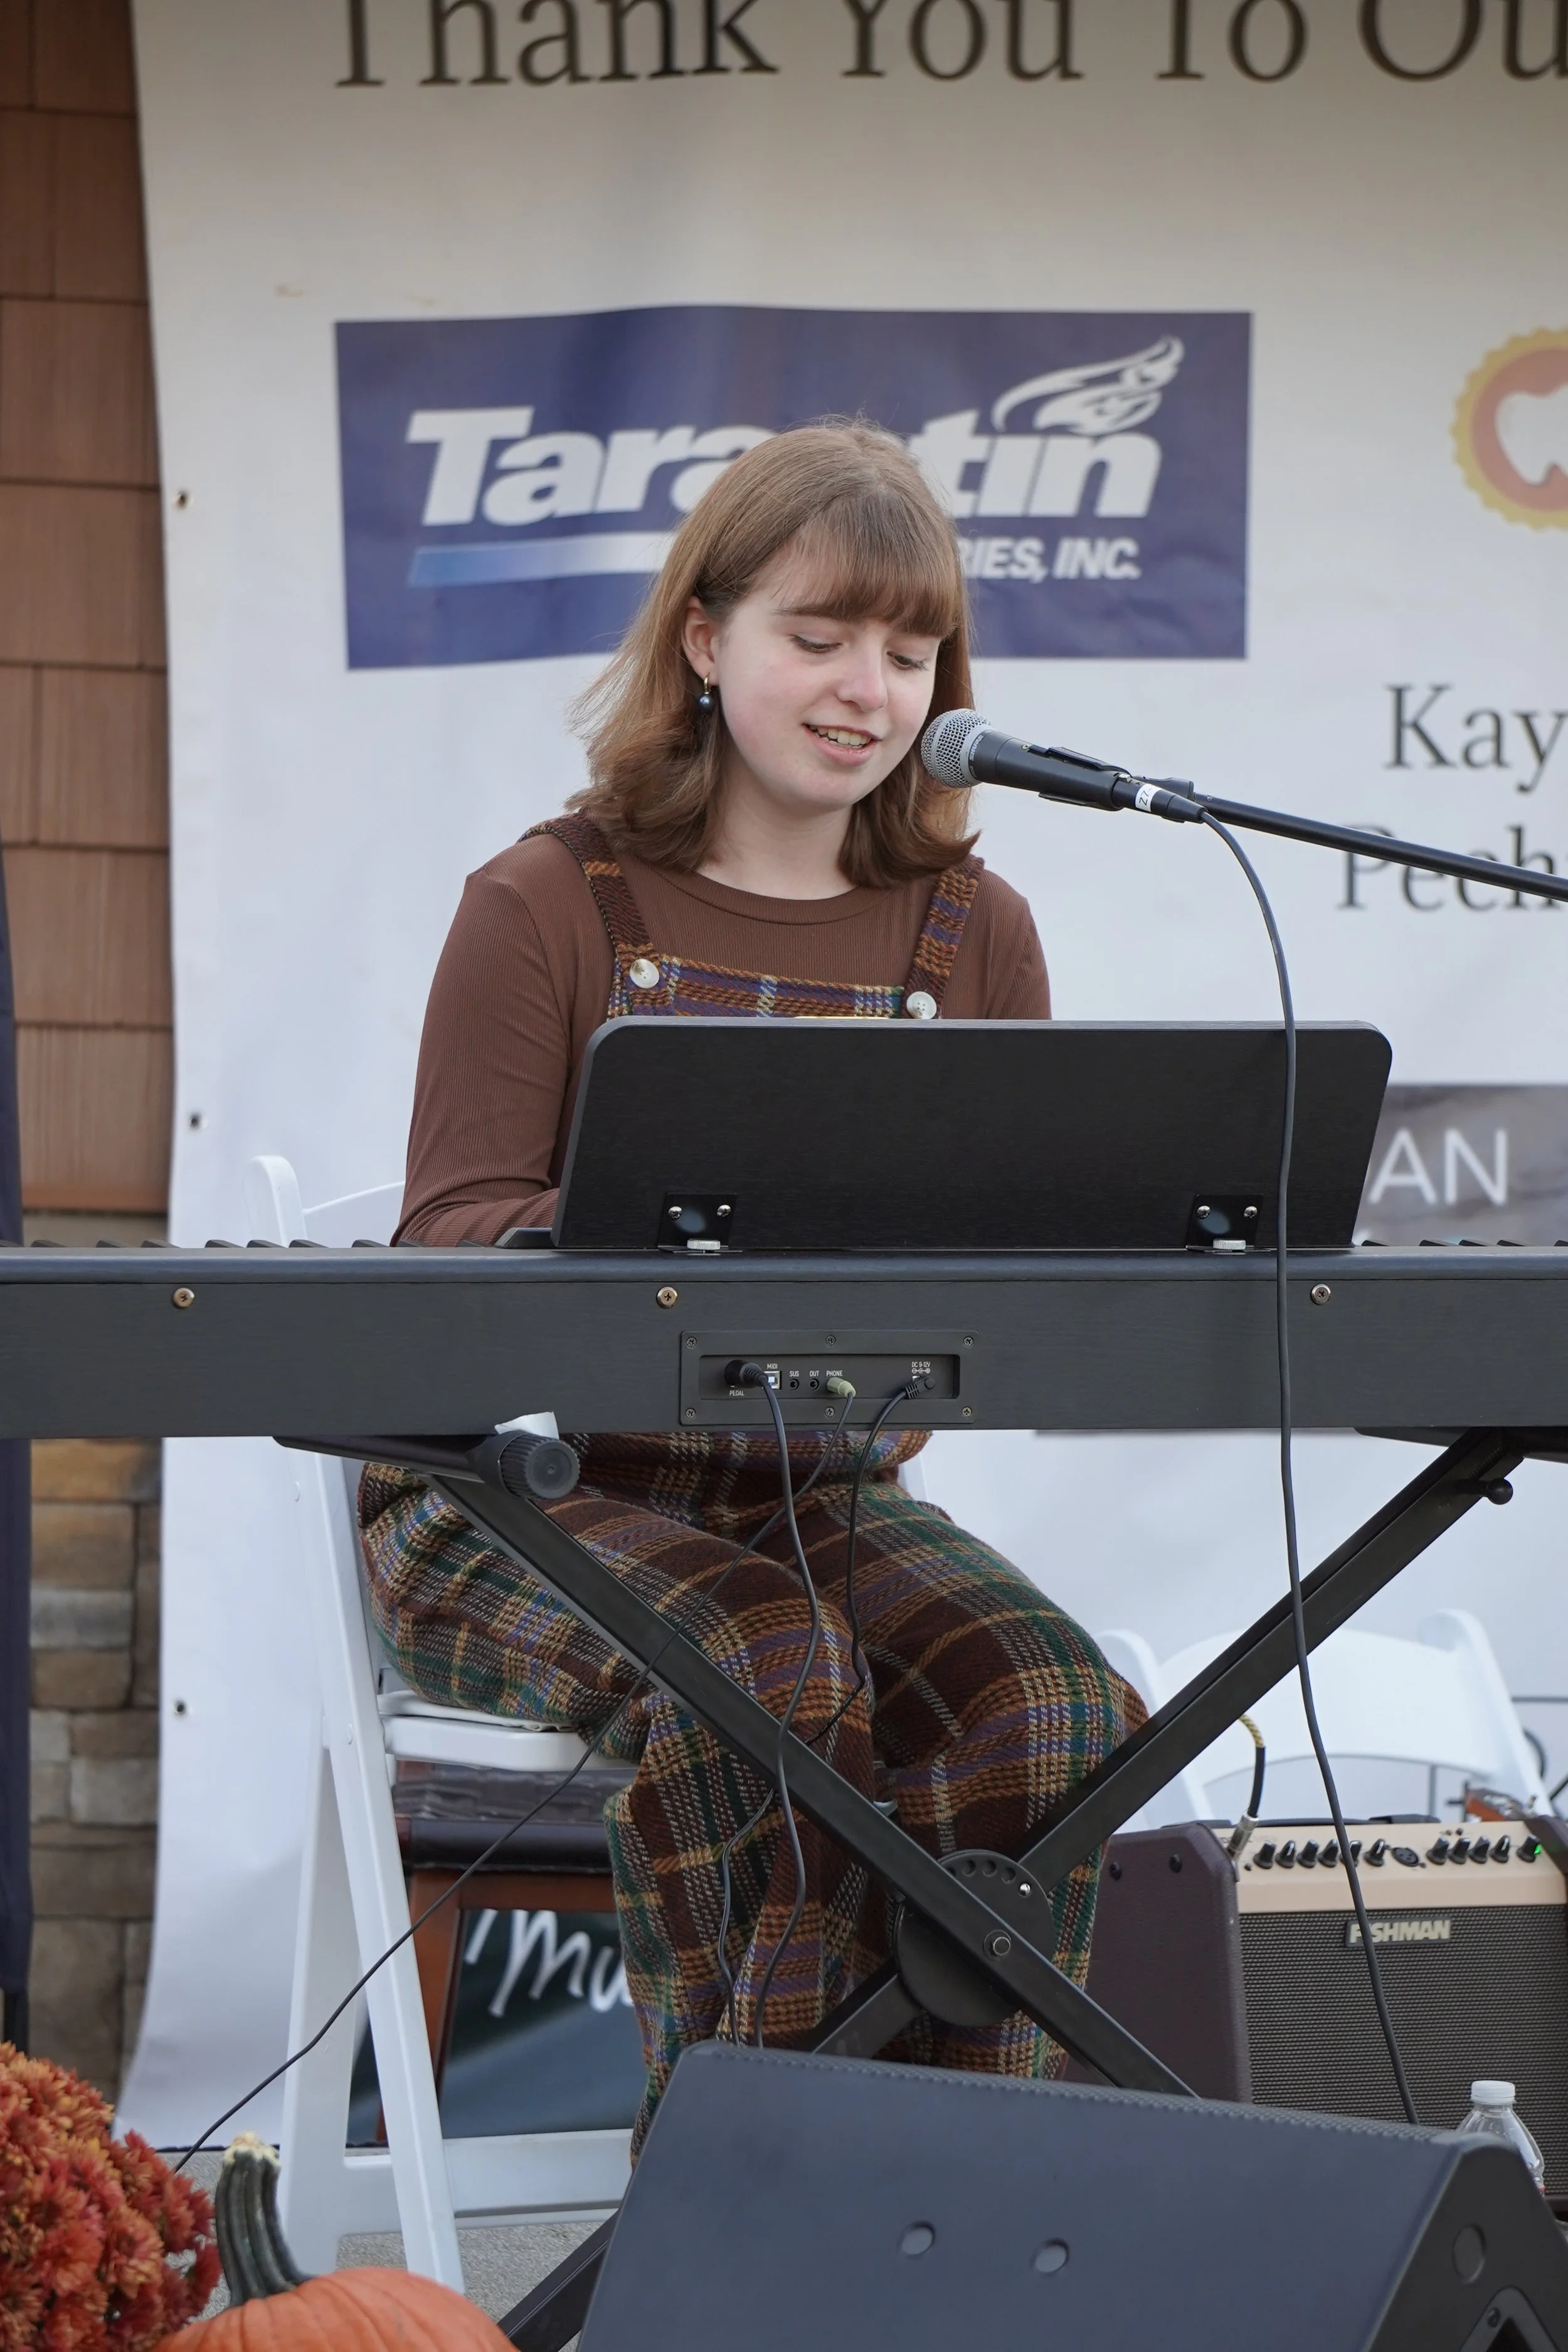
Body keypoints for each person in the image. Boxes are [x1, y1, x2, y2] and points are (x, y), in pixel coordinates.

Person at [359, 422, 1144, 2150]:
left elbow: (1002, 1276)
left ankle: (955, 2198)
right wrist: (672, 1235)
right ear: (704, 640)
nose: (868, 688)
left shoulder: (972, 932)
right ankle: (752, 2203)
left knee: (1060, 1711)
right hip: (509, 1489)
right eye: (820, 635)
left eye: (909, 650)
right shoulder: (546, 901)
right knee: (772, 1674)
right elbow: (451, 1238)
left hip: (815, 1489)